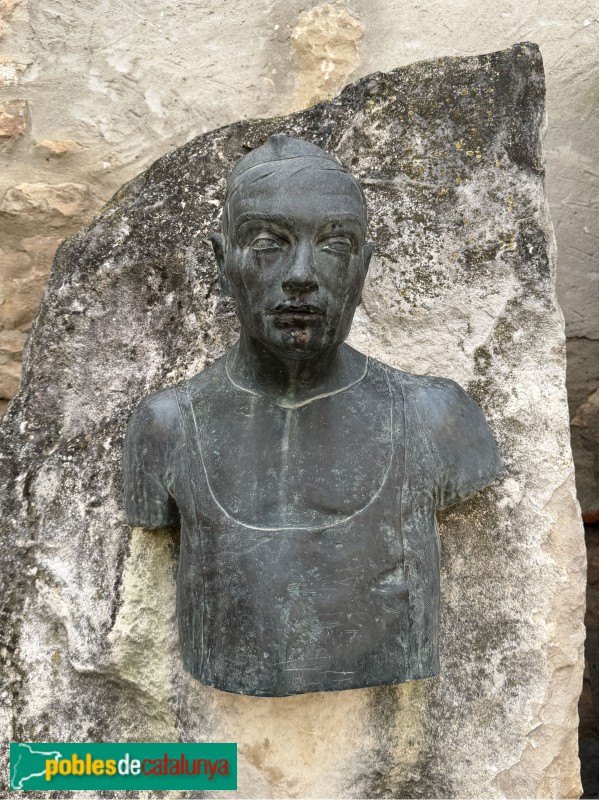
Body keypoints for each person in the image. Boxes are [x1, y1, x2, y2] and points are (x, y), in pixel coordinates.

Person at [123, 134, 502, 697]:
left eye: (334, 245)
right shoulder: (166, 425)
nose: (301, 274)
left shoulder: (435, 416)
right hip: (226, 688)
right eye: (268, 243)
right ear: (222, 262)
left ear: (363, 269)